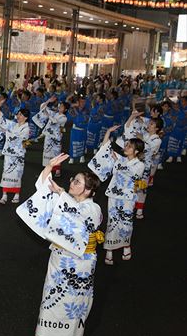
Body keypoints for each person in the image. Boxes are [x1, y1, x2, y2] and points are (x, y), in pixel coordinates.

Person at [16, 153, 103, 336]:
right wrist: (49, 167)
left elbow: (79, 216)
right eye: (73, 179)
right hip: (58, 260)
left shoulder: (93, 209)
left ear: (88, 191)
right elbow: (43, 189)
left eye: (78, 182)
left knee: (76, 302)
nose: (73, 183)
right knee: (53, 299)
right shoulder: (64, 200)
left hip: (80, 264)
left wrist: (62, 193)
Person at [88, 125, 145, 265]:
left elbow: (130, 173)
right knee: (112, 222)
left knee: (126, 223)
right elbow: (105, 148)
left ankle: (126, 245)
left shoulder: (140, 165)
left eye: (130, 146)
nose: (126, 147)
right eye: (126, 145)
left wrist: (117, 160)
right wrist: (108, 132)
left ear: (136, 151)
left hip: (128, 198)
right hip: (113, 195)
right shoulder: (120, 159)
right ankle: (109, 249)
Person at [0, 102, 30, 204]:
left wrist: (6, 132)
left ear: (25, 117)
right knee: (6, 172)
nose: (18, 116)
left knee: (17, 174)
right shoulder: (14, 125)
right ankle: (4, 195)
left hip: (18, 155)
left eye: (21, 114)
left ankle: (17, 195)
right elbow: (2, 121)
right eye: (18, 114)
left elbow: (17, 138)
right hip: (9, 154)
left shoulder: (26, 129)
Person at [135, 117, 163, 219]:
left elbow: (148, 149)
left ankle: (140, 209)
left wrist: (141, 139)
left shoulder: (157, 140)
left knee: (142, 188)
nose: (149, 125)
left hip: (145, 167)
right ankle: (133, 203)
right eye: (149, 123)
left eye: (151, 124)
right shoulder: (146, 135)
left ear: (156, 128)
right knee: (134, 185)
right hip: (136, 164)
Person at [38, 97, 68, 177]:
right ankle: (47, 169)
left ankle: (57, 170)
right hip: (48, 136)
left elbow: (55, 122)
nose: (59, 107)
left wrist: (48, 116)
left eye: (62, 106)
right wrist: (48, 101)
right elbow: (42, 107)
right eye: (59, 105)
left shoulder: (64, 118)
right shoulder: (54, 113)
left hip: (56, 138)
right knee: (47, 152)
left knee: (56, 153)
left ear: (65, 110)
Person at [67, 96, 89, 164]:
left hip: (83, 129)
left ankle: (82, 156)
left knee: (82, 143)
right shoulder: (73, 109)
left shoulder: (87, 110)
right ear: (78, 102)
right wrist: (72, 106)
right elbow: (69, 117)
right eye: (81, 102)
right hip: (75, 130)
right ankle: (71, 157)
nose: (83, 103)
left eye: (84, 102)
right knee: (73, 144)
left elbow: (86, 119)